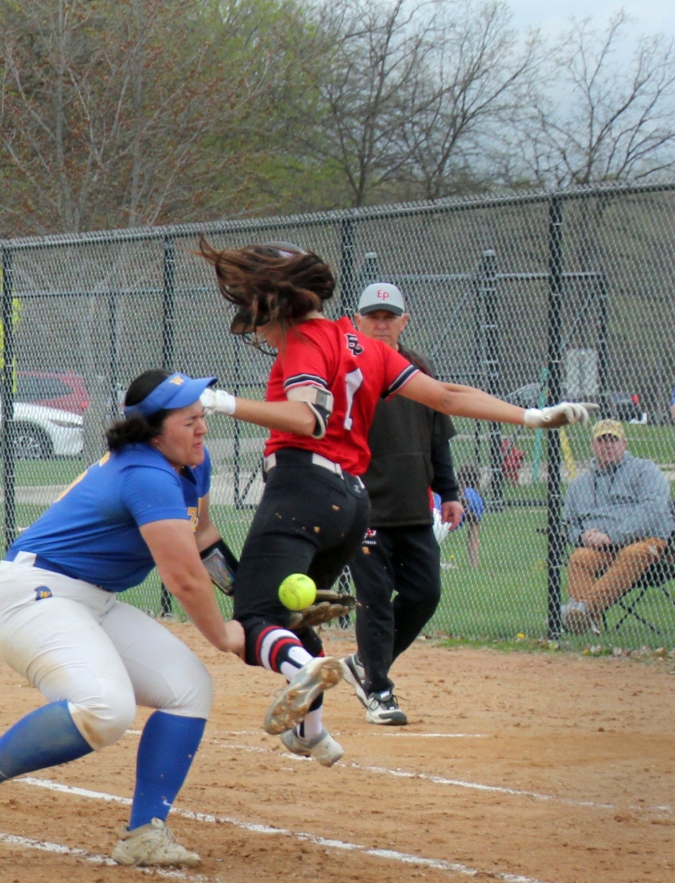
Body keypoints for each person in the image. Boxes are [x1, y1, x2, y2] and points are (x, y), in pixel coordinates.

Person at [193, 239, 596, 762]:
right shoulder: (365, 345)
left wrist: (221, 402)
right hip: (353, 502)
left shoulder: (306, 342)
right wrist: (531, 415)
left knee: (252, 622)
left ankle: (301, 672)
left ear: (275, 304)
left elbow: (307, 417)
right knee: (289, 623)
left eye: (257, 320)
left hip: (302, 489)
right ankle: (312, 732)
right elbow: (447, 396)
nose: (261, 336)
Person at [0, 370, 245, 867]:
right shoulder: (145, 472)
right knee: (105, 709)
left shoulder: (188, 464)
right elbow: (184, 577)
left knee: (188, 687)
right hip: (35, 594)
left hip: (89, 598)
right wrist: (225, 635)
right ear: (154, 430)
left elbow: (203, 539)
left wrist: (250, 605)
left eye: (202, 416)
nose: (203, 427)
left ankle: (144, 832)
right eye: (190, 419)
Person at [344, 282, 463, 727]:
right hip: (364, 506)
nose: (381, 323)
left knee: (424, 593)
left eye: (389, 316)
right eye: (372, 316)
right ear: (357, 321)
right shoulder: (347, 370)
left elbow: (438, 441)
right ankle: (379, 690)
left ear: (403, 322)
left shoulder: (419, 370)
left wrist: (449, 493)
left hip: (414, 507)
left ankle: (365, 664)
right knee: (373, 598)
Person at [561, 419, 672, 634]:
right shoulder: (578, 486)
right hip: (602, 550)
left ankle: (582, 609)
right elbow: (569, 525)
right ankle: (588, 626)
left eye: (614, 440)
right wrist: (582, 537)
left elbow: (652, 511)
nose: (608, 445)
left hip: (646, 545)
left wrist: (612, 536)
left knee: (633, 553)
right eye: (602, 441)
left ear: (624, 444)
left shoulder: (645, 471)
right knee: (580, 558)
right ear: (592, 446)